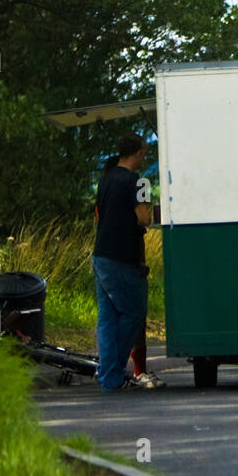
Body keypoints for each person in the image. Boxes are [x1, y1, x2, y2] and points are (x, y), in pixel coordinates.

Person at [92, 133, 155, 392]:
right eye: (144, 152)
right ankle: (112, 371)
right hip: (122, 257)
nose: (145, 157)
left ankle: (108, 377)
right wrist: (149, 209)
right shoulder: (137, 182)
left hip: (101, 254)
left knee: (107, 317)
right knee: (133, 312)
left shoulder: (105, 179)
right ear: (138, 153)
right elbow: (144, 218)